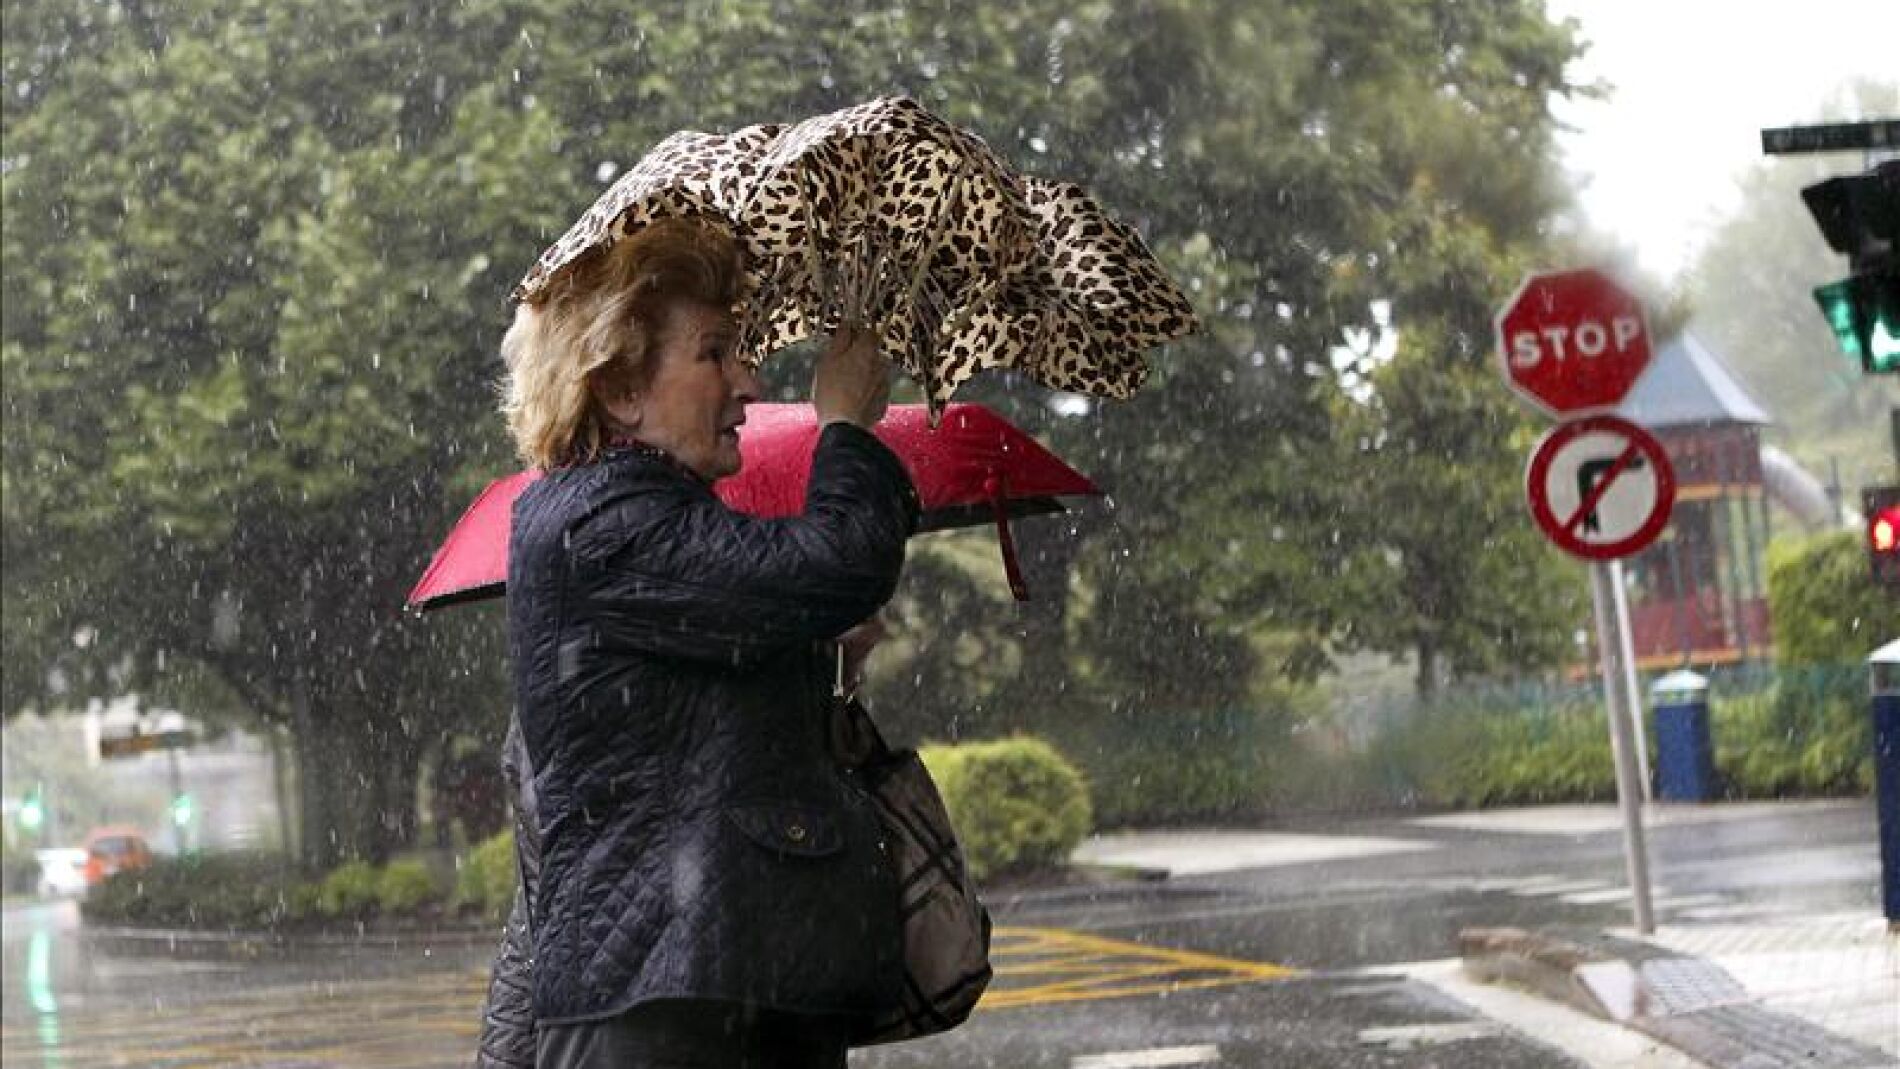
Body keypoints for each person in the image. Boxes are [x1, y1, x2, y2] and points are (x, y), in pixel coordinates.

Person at [484, 216, 919, 1068]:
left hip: (717, 997)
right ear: (618, 389)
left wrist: (824, 662)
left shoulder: (656, 521)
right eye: (715, 352)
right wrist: (844, 426)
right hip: (667, 1012)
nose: (750, 383)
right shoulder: (602, 522)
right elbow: (840, 562)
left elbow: (703, 747)